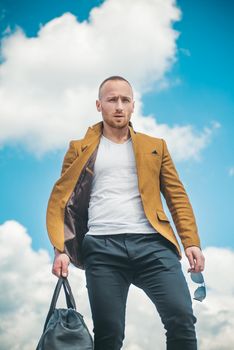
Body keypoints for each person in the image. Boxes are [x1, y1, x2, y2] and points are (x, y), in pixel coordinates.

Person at [46, 75, 205, 350]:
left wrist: (191, 242)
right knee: (109, 335)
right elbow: (65, 201)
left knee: (181, 317)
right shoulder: (78, 148)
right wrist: (60, 249)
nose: (118, 106)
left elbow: (177, 196)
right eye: (111, 100)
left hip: (153, 245)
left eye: (125, 100)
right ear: (99, 105)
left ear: (133, 106)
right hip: (102, 248)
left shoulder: (156, 146)